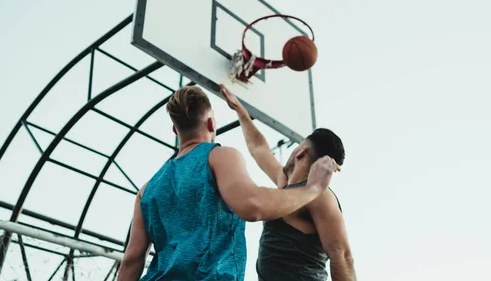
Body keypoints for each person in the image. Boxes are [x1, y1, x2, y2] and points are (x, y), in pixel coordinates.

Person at [118, 85, 340, 281]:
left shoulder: (147, 189)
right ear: (212, 123)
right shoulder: (220, 156)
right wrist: (313, 188)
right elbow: (252, 205)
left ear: (175, 131)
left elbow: (132, 258)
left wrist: (242, 113)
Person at [220, 84, 356, 281]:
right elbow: (259, 147)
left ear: (301, 152)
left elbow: (342, 256)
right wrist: (241, 112)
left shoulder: (320, 196)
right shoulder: (286, 186)